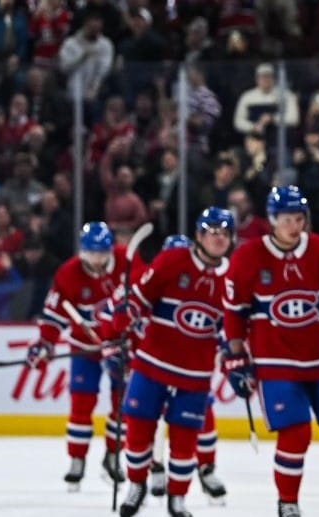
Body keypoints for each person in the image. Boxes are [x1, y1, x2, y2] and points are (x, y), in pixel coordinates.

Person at [220, 185, 319, 517]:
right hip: (275, 364)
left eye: (299, 218)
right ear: (271, 220)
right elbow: (234, 312)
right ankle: (288, 504)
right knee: (294, 436)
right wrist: (235, 357)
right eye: (286, 219)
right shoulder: (248, 256)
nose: (294, 225)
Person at [99, 208, 234, 517]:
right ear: (199, 236)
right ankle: (137, 486)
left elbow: (233, 325)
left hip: (195, 375)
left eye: (224, 233)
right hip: (151, 366)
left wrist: (234, 355)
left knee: (184, 441)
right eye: (212, 232)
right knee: (137, 432)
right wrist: (126, 313)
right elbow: (140, 297)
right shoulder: (173, 261)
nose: (218, 238)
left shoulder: (232, 277)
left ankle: (177, 498)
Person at [25, 221, 131, 490]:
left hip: (119, 347)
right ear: (83, 251)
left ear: (109, 250)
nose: (96, 259)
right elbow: (53, 315)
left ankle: (112, 456)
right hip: (84, 348)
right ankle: (77, 460)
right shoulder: (68, 274)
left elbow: (141, 302)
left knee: (123, 406)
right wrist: (45, 344)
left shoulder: (126, 262)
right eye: (91, 253)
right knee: (81, 404)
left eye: (101, 253)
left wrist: (131, 339)